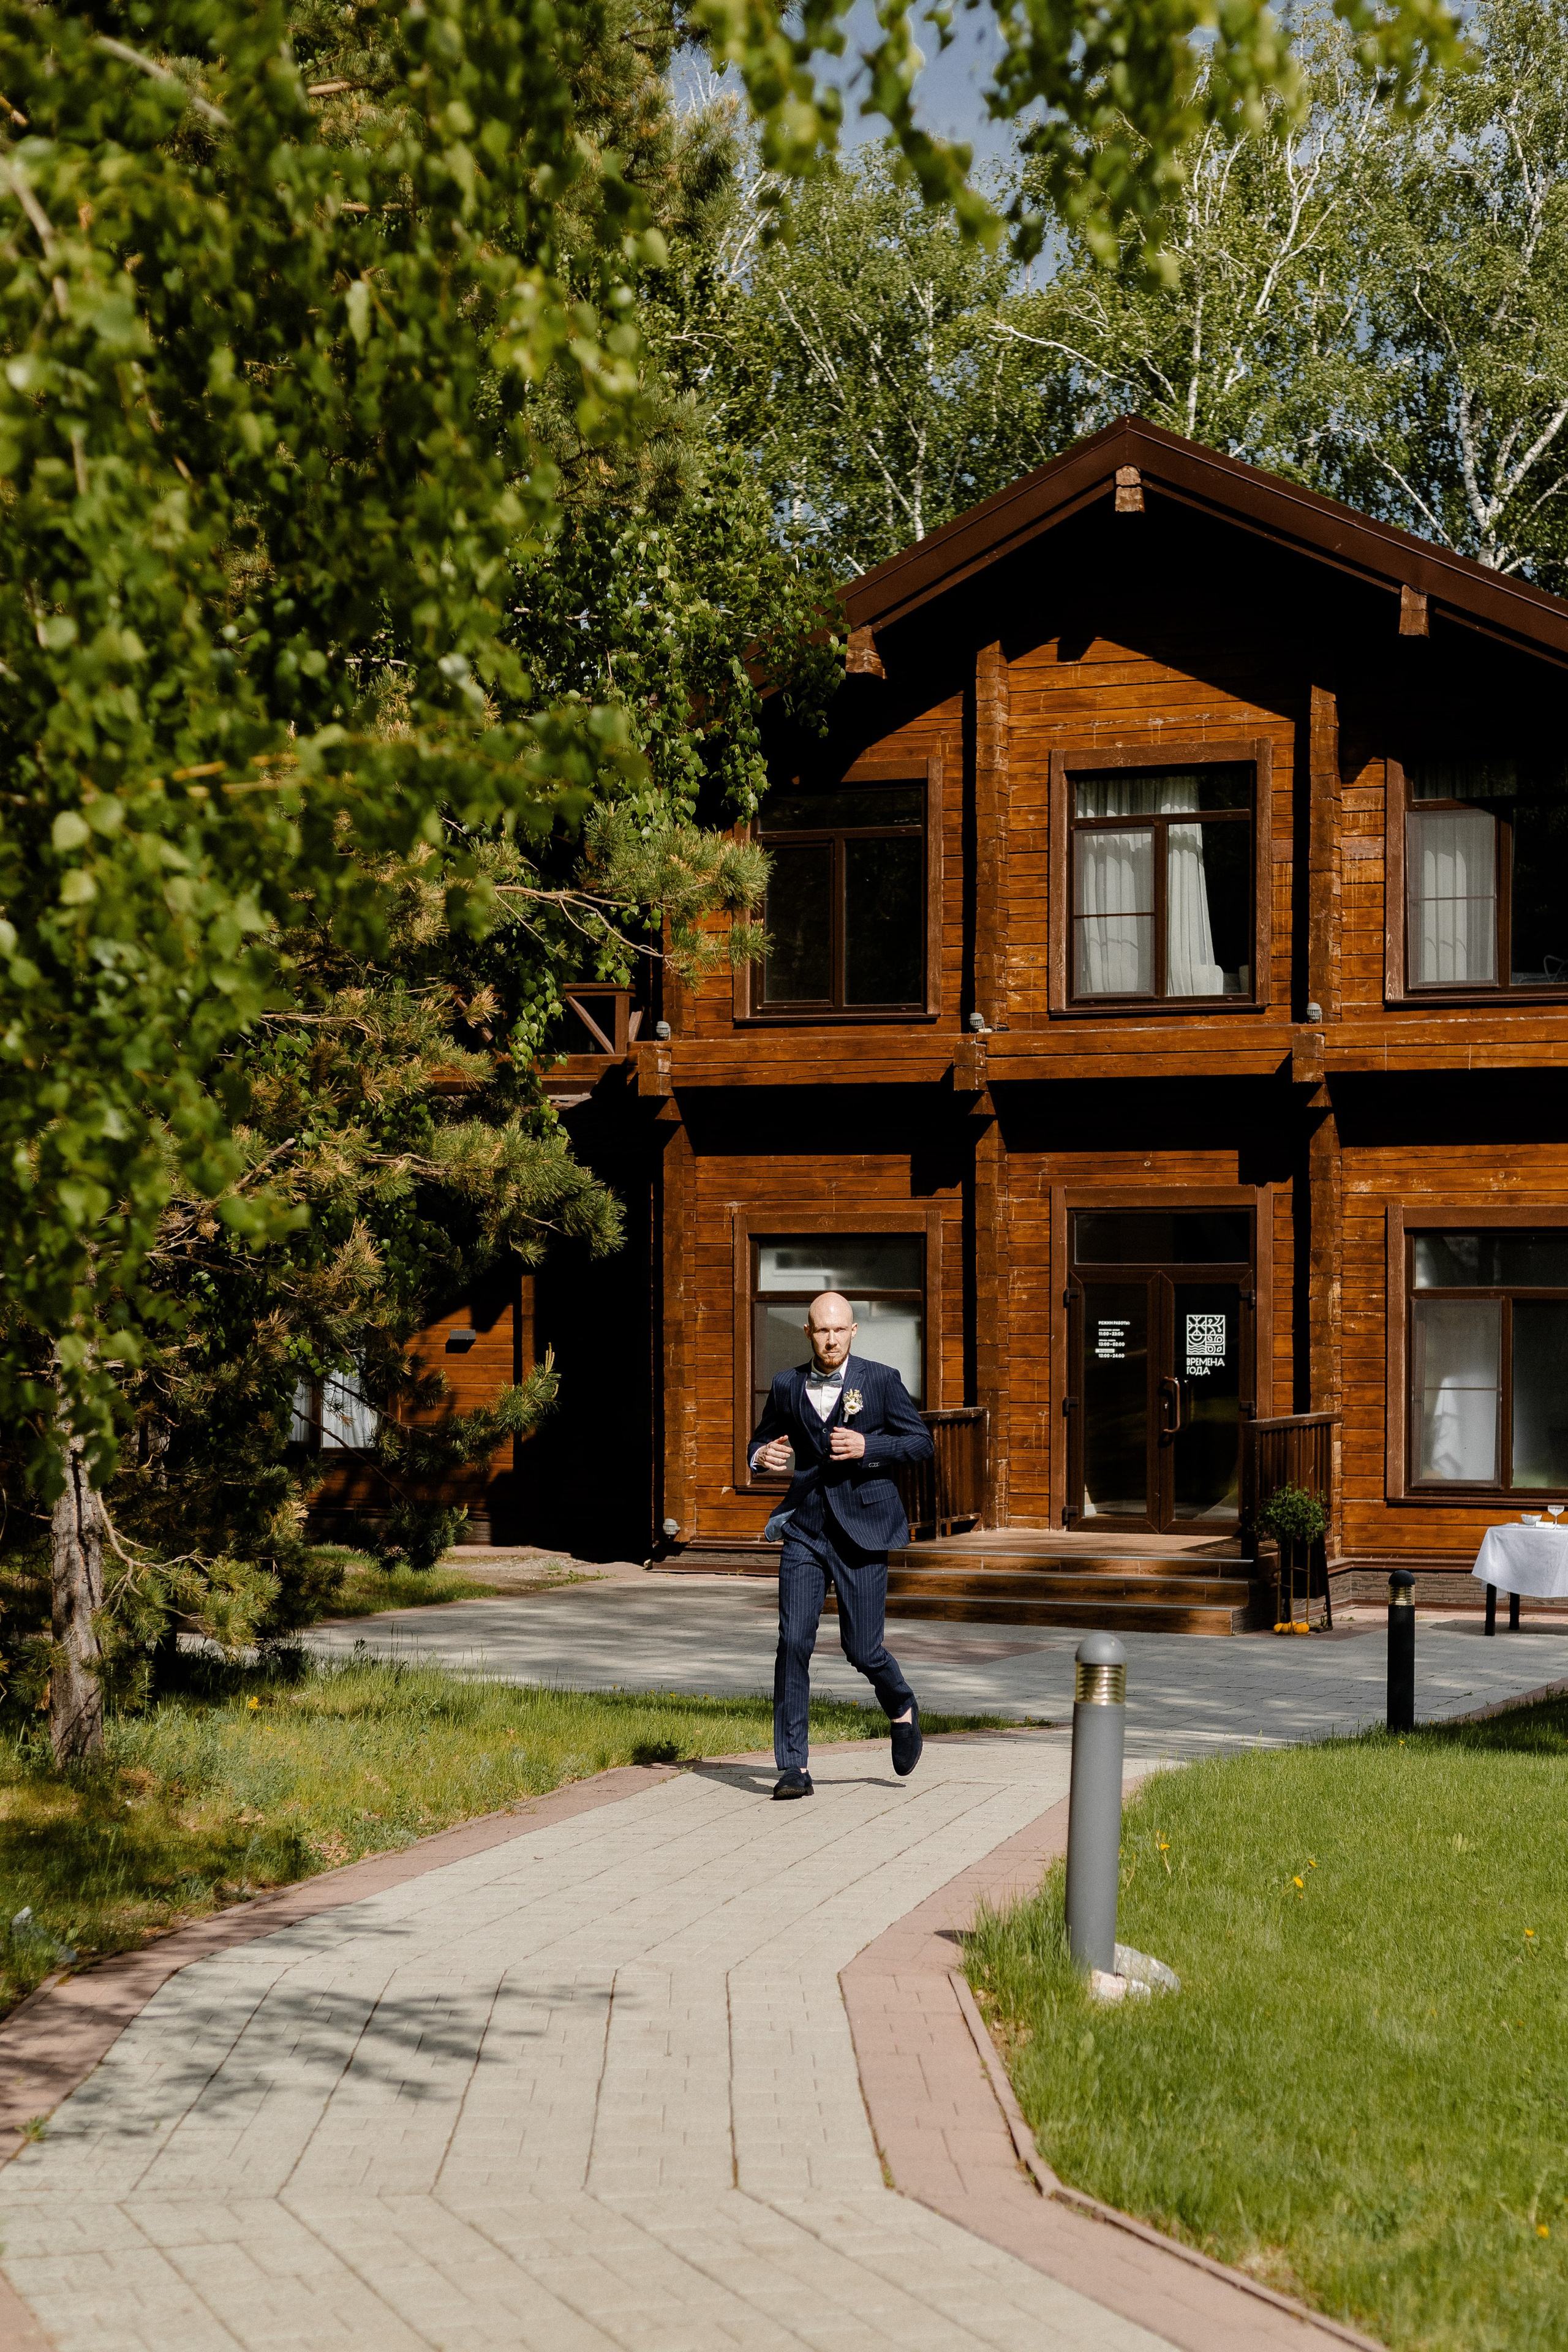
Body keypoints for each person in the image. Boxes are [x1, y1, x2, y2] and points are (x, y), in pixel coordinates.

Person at [748, 1291, 934, 1799]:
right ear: (808, 1333)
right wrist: (760, 1456)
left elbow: (921, 1442)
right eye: (821, 1330)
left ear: (853, 1332)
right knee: (794, 1643)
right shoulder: (787, 1385)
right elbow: (759, 1440)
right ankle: (794, 1768)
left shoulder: (879, 1380)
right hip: (805, 1529)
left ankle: (901, 1706)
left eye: (839, 1330)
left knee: (862, 1648)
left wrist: (868, 1447)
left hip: (864, 1529)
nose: (830, 1339)